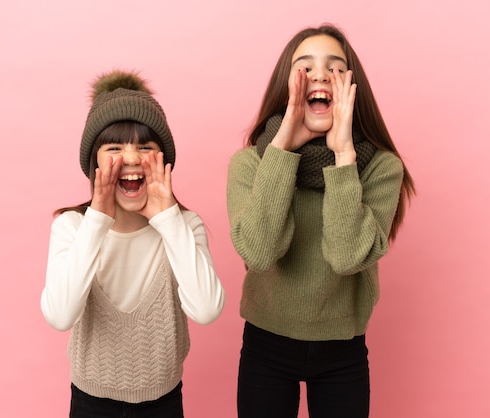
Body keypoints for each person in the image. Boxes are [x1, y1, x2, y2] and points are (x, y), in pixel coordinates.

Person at [227, 24, 415, 418]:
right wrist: (281, 151)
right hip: (266, 344)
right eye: (304, 66)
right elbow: (259, 253)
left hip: (342, 349)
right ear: (286, 84)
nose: (319, 75)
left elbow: (347, 257)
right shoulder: (251, 163)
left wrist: (344, 155)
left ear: (350, 85)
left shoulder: (381, 168)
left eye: (334, 67)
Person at [41, 69, 225, 418]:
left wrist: (168, 219)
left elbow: (207, 310)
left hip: (164, 403)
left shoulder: (184, 226)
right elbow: (60, 316)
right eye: (114, 147)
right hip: (90, 402)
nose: (130, 158)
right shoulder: (72, 227)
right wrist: (97, 219)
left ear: (164, 161)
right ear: (93, 162)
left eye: (145, 146)